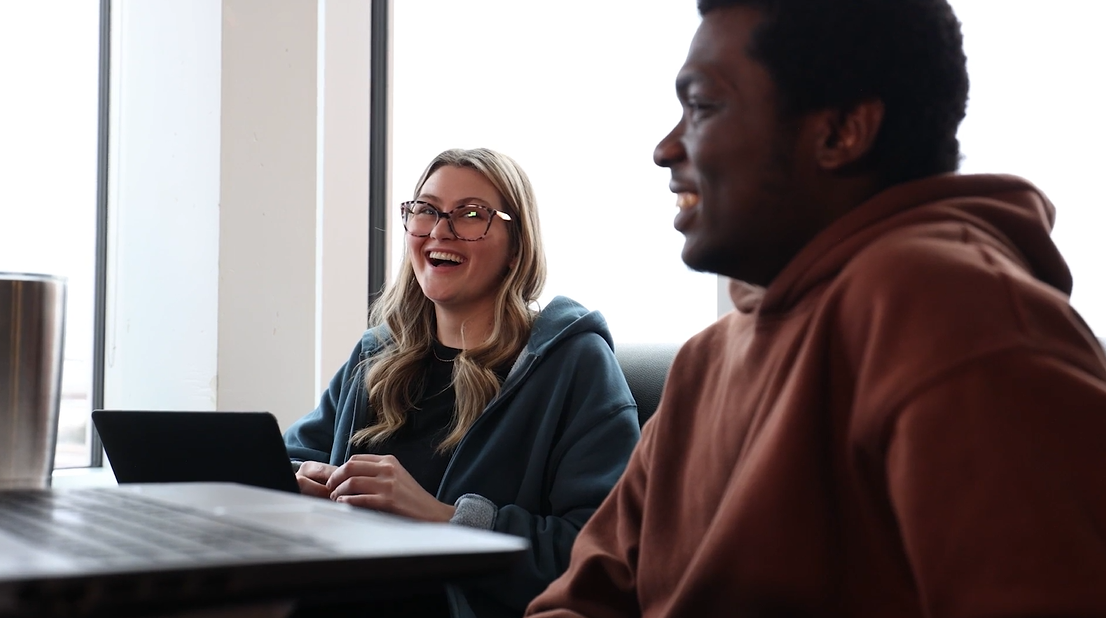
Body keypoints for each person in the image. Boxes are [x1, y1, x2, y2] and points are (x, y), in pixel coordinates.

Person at [527, 0, 1106, 616]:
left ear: (840, 132)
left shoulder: (959, 318)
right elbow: (584, 600)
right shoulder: (707, 360)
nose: (665, 148)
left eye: (701, 106)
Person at [284, 148, 640, 618]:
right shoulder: (376, 357)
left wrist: (445, 517)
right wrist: (297, 483)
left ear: (517, 247)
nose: (439, 231)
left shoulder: (573, 364)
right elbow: (291, 458)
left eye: (471, 215)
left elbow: (605, 558)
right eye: (426, 210)